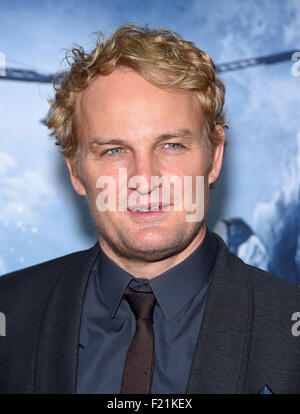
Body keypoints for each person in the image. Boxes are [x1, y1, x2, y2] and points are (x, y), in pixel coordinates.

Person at [0, 24, 300, 395]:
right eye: (114, 150)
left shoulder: (289, 332)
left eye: (171, 145)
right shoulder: (9, 313)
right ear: (76, 172)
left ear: (214, 156)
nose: (144, 178)